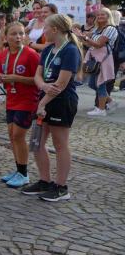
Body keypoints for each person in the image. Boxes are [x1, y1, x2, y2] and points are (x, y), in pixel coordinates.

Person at [25, 14, 81, 201]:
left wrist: (42, 103)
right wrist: (42, 86)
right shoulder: (49, 49)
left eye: (46, 28)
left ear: (55, 29)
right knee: (37, 142)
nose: (43, 31)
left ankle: (61, 187)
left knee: (60, 144)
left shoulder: (70, 50)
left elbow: (61, 84)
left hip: (61, 101)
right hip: (45, 98)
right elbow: (37, 75)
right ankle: (44, 181)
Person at [0, 22, 40, 188]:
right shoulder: (3, 55)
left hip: (28, 100)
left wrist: (16, 78)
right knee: (11, 135)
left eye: (21, 33)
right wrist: (0, 77)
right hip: (12, 99)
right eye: (14, 34)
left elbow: (38, 80)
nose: (18, 37)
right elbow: (0, 73)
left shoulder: (31, 54)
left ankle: (24, 174)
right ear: (6, 37)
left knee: (18, 136)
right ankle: (18, 170)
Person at [79, 7, 117, 116]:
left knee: (100, 83)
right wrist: (81, 38)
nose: (100, 16)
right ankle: (111, 101)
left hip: (104, 59)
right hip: (95, 58)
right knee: (92, 84)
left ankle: (101, 109)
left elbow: (99, 44)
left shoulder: (110, 29)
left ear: (108, 16)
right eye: (98, 15)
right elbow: (89, 44)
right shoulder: (97, 29)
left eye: (103, 14)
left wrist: (86, 38)